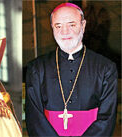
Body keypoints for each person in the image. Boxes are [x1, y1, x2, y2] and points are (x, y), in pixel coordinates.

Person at [25, 3, 117, 136]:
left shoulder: (105, 67)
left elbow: (107, 118)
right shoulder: (37, 68)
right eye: (58, 26)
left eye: (71, 25)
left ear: (83, 25)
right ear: (52, 28)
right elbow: (34, 117)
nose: (64, 32)